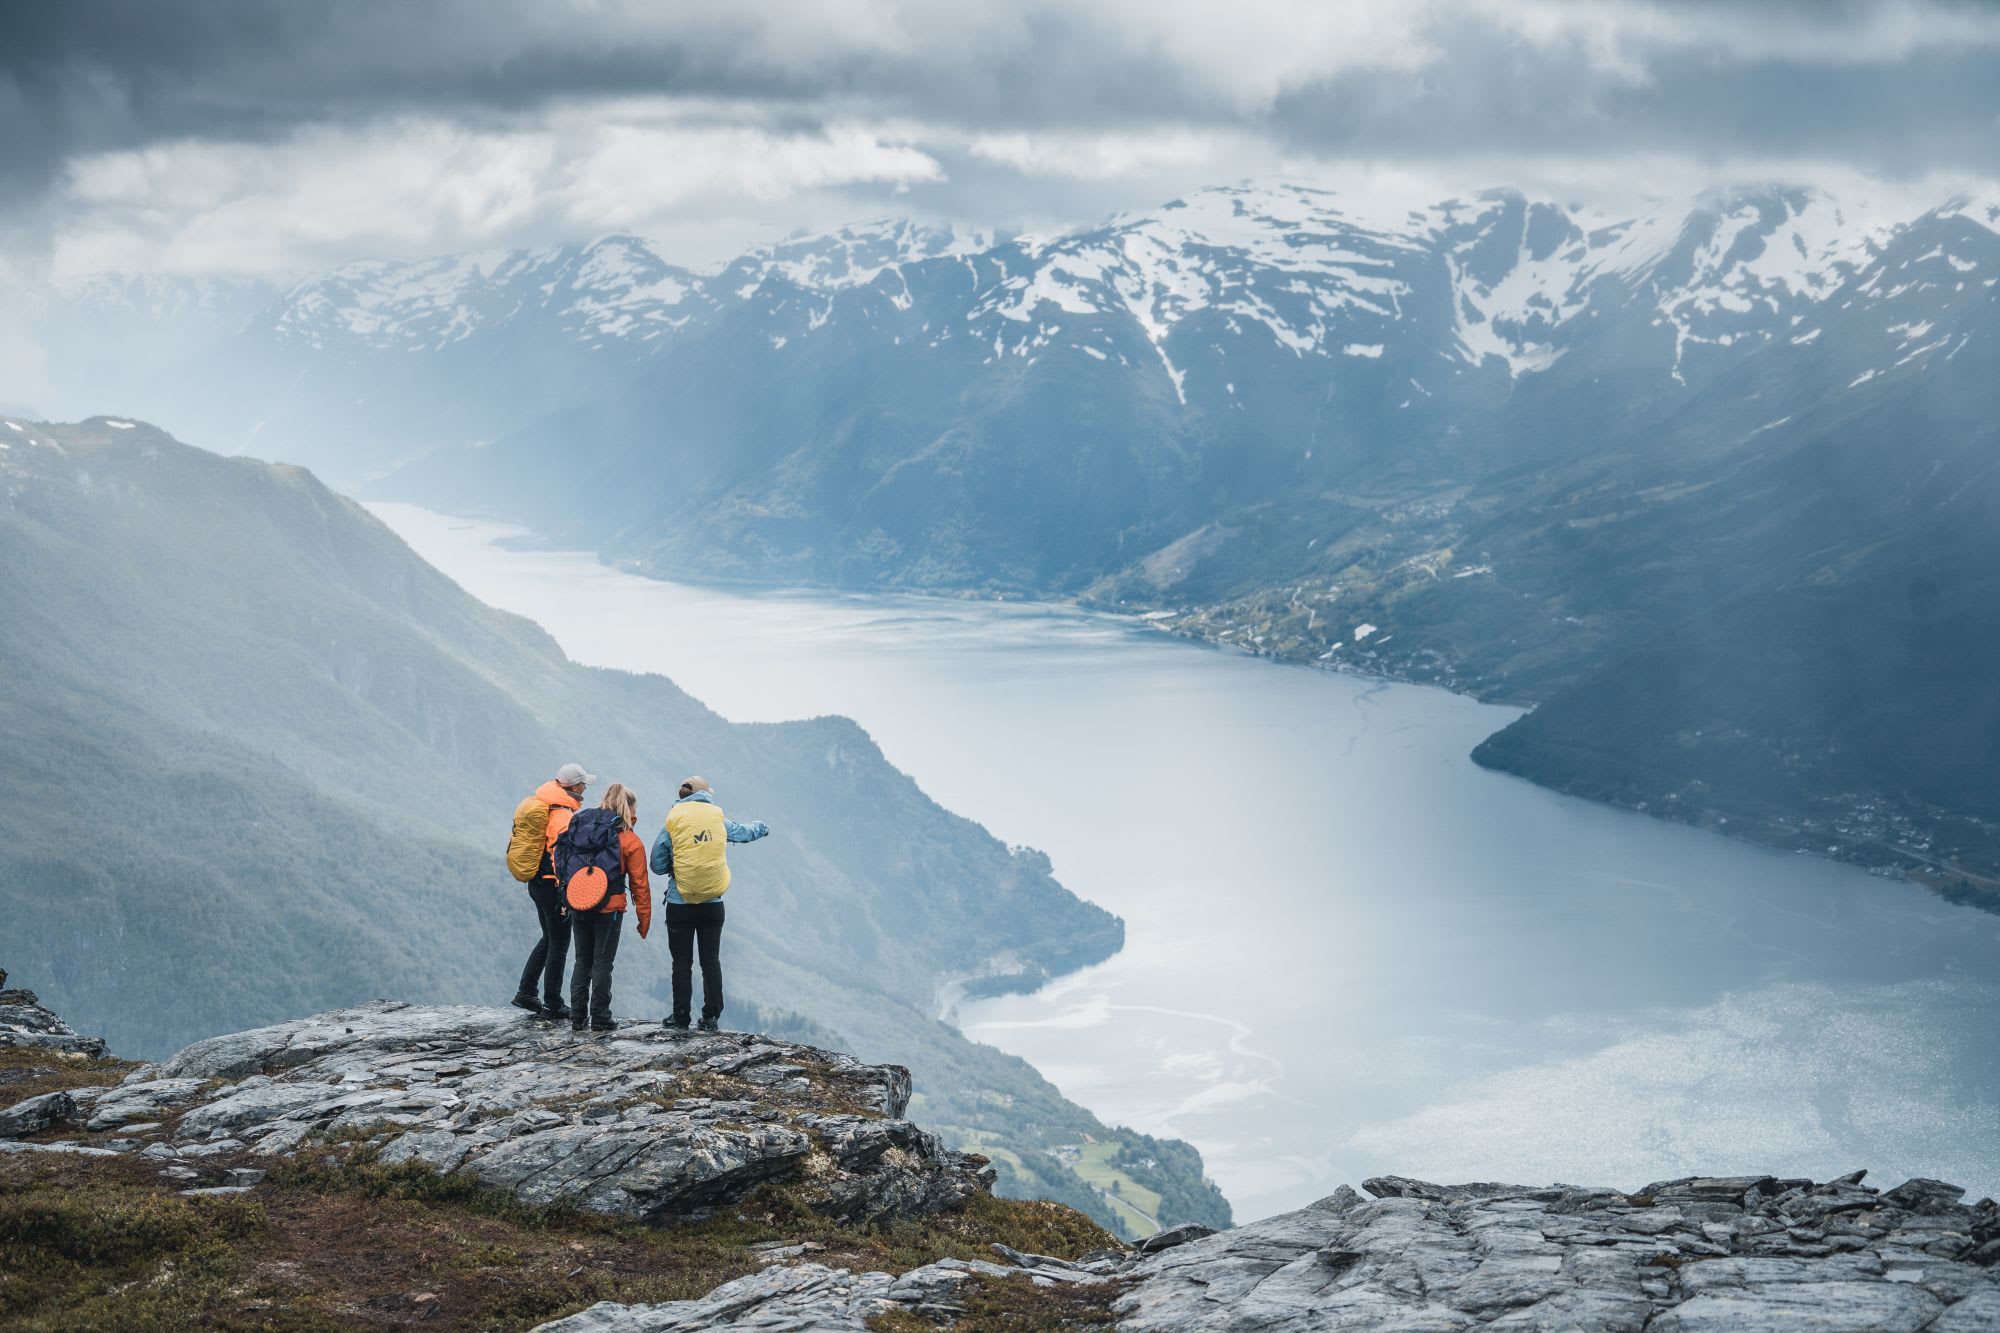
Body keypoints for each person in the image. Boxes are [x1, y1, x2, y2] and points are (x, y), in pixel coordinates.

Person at [650, 776, 768, 1032]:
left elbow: (656, 865)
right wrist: (762, 826)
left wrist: (676, 866)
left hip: (679, 903)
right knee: (710, 960)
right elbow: (744, 832)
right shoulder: (717, 818)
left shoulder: (673, 820)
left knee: (681, 962)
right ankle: (711, 1017)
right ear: (705, 795)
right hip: (713, 904)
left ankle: (680, 1017)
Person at [554, 783, 651, 1032]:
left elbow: (561, 857)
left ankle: (577, 1017)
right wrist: (644, 918)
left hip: (579, 903)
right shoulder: (629, 838)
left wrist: (567, 893)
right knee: (602, 963)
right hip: (610, 908)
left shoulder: (580, 826)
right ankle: (600, 1016)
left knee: (581, 961)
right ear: (629, 808)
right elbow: (639, 883)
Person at [506, 763, 591, 1020]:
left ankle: (527, 991)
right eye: (584, 785)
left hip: (537, 883)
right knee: (559, 945)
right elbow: (559, 852)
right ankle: (553, 1003)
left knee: (549, 939)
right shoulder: (562, 814)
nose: (586, 789)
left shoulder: (547, 803)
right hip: (552, 885)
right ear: (574, 786)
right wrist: (565, 889)